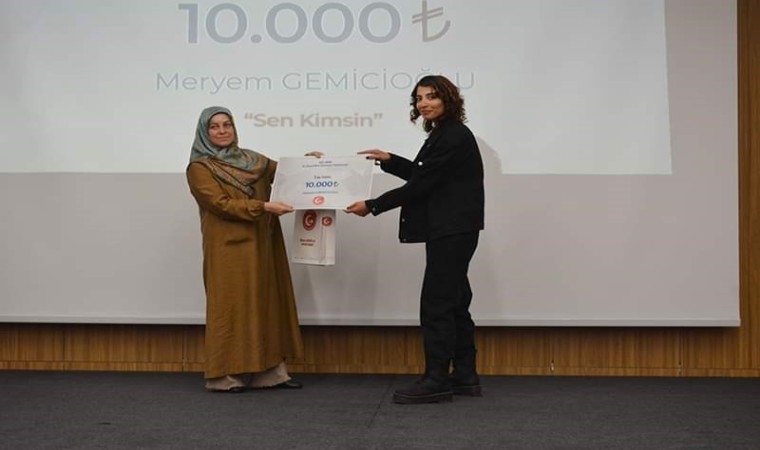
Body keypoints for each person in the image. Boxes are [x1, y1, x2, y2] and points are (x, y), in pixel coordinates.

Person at [346, 75, 485, 404]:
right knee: (454, 301)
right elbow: (425, 175)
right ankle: (465, 376)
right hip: (454, 229)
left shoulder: (452, 135)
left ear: (448, 99)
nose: (424, 103)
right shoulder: (445, 133)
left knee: (437, 304)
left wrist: (374, 205)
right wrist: (389, 160)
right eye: (419, 98)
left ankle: (436, 379)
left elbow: (421, 185)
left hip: (451, 230)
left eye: (431, 96)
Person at [187, 106, 308, 393]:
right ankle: (223, 376)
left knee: (267, 302)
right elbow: (220, 204)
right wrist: (263, 206)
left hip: (264, 243)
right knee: (231, 307)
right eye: (214, 126)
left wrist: (311, 165)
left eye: (227, 124)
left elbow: (287, 174)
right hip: (229, 249)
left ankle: (271, 373)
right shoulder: (199, 168)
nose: (222, 131)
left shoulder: (254, 159)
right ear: (204, 132)